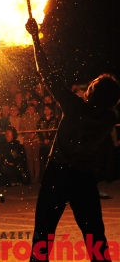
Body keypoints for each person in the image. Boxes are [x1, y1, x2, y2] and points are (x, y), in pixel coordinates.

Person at [26, 18, 120, 262]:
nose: (86, 88)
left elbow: (46, 74)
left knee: (43, 235)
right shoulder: (109, 117)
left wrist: (35, 38)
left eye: (91, 86)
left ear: (91, 93)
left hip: (58, 175)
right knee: (95, 237)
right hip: (84, 178)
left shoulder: (76, 108)